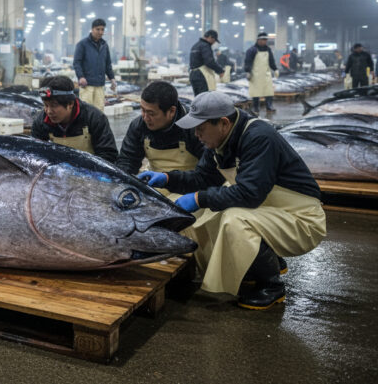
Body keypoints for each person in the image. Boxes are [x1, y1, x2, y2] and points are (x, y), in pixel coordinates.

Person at [137, 91, 326, 310]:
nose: (196, 134)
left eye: (200, 128)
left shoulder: (259, 137)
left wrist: (200, 198)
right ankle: (256, 265)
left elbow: (249, 194)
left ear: (224, 123)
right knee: (203, 216)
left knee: (234, 219)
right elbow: (203, 178)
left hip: (301, 218)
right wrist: (168, 178)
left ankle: (271, 285)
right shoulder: (218, 142)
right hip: (269, 210)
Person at [116, 81, 205, 177]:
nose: (145, 118)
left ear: (171, 111)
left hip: (190, 185)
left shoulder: (194, 128)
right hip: (154, 183)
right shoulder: (138, 126)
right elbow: (127, 161)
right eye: (142, 110)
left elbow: (209, 171)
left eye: (151, 113)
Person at [31, 75, 117, 163]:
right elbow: (36, 153)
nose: (48, 111)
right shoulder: (41, 122)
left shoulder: (94, 118)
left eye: (54, 105)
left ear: (70, 104)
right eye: (46, 105)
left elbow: (108, 155)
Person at [73, 18, 116, 110]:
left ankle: (97, 125)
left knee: (99, 110)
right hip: (87, 85)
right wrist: (81, 77)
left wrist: (112, 78)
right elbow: (77, 62)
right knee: (86, 111)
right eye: (98, 29)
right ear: (92, 29)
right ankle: (85, 125)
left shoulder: (104, 45)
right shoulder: (82, 44)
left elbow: (108, 63)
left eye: (102, 29)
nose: (100, 32)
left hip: (100, 85)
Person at [243, 32, 278, 113]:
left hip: (266, 74)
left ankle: (269, 106)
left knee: (268, 91)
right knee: (256, 92)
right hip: (255, 75)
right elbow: (248, 62)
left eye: (265, 40)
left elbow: (271, 61)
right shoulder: (252, 50)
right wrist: (248, 71)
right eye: (263, 40)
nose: (264, 42)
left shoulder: (268, 50)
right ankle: (256, 108)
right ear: (258, 40)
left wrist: (275, 69)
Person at [189, 30, 225, 95]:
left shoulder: (195, 45)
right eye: (214, 40)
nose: (214, 43)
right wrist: (220, 71)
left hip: (193, 75)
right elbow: (209, 62)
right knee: (205, 97)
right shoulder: (205, 46)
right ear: (210, 37)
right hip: (202, 76)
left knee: (198, 98)